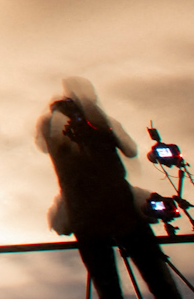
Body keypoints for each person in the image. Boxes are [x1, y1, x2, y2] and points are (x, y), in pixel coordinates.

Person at [36, 79, 179, 299]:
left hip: (96, 212)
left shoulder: (78, 129)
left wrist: (93, 127)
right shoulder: (60, 131)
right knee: (151, 279)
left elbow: (128, 149)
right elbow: (129, 150)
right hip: (109, 210)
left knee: (118, 284)